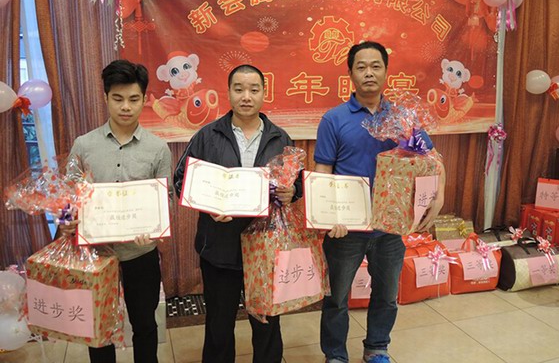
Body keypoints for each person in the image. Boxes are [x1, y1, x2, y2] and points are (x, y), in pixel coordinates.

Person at [314, 41, 446, 363]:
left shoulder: (403, 118)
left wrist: (439, 194)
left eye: (376, 66)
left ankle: (377, 347)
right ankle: (335, 354)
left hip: (391, 226)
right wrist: (328, 216)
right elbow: (323, 172)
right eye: (361, 67)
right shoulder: (334, 119)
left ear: (386, 72)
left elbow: (432, 160)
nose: (369, 73)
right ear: (350, 73)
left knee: (386, 294)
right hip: (347, 228)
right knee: (336, 297)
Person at [173, 64, 302, 363]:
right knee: (219, 324)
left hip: (266, 248)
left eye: (254, 90)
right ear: (228, 92)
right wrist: (206, 205)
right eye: (239, 89)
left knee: (267, 322)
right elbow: (182, 181)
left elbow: (297, 182)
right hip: (219, 245)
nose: (246, 96)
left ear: (264, 93)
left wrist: (291, 192)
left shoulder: (281, 138)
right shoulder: (207, 136)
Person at [59, 60, 172, 363]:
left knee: (145, 324)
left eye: (134, 99)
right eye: (118, 98)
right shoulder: (84, 145)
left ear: (144, 99)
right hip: (96, 255)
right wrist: (67, 221)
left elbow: (164, 200)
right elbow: (69, 198)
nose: (126, 107)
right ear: (105, 97)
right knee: (98, 327)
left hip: (141, 253)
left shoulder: (158, 148)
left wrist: (155, 227)